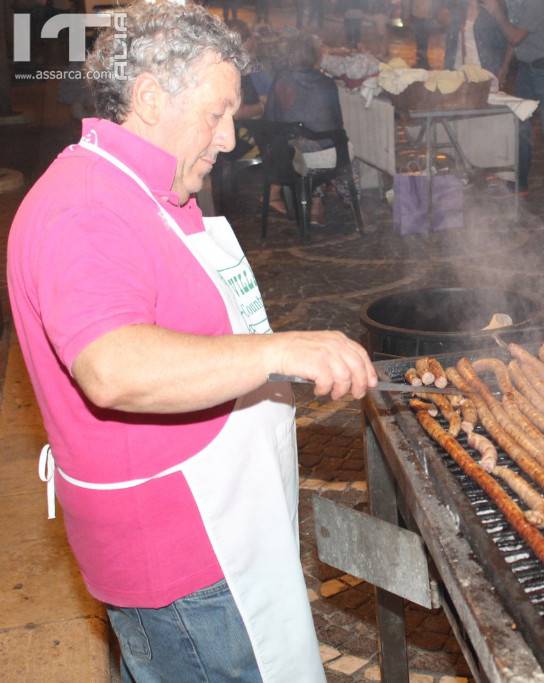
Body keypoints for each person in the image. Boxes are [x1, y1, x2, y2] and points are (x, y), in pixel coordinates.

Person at [6, 3, 376, 681]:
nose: (230, 138)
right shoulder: (86, 205)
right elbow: (112, 366)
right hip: (181, 558)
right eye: (217, 112)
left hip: (219, 532)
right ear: (149, 97)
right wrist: (277, 351)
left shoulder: (151, 189)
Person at [481, 0, 544, 191]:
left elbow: (516, 36)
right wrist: (505, 67)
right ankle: (520, 182)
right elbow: (514, 36)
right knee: (520, 124)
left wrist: (497, 14)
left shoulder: (536, 3)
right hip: (527, 68)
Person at [265, 36, 346, 225]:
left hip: (288, 157)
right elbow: (337, 123)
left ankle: (301, 198)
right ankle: (317, 203)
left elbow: (270, 119)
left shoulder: (281, 80)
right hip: (322, 157)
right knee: (328, 144)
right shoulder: (326, 83)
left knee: (301, 143)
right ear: (315, 56)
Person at [443, 0, 509, 89]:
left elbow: (503, 44)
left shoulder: (492, 12)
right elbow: (450, 45)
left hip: (483, 74)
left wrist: (502, 69)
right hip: (458, 72)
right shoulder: (457, 11)